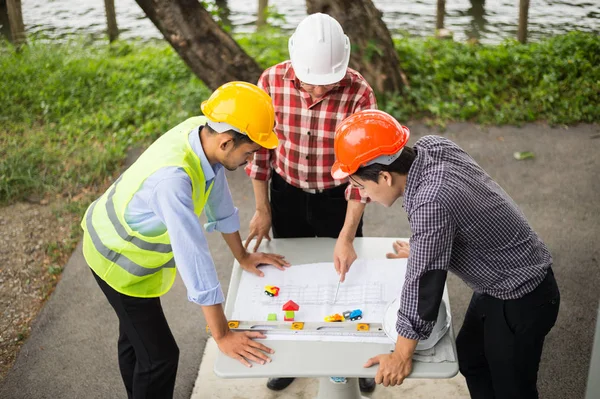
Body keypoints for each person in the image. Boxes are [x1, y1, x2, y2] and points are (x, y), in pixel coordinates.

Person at [81, 82, 290, 399]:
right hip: (116, 261)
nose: (251, 160)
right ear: (226, 142)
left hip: (116, 245)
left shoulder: (201, 133)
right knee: (160, 358)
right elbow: (195, 259)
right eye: (249, 152)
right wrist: (222, 335)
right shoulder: (174, 181)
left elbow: (218, 200)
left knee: (135, 339)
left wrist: (242, 256)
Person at [332, 109, 560, 398]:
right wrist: (424, 247)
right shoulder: (433, 147)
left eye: (360, 186)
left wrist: (401, 355)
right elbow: (465, 208)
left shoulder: (430, 201)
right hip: (497, 282)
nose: (362, 195)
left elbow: (424, 283)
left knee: (512, 390)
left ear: (385, 177)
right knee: (472, 359)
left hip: (521, 295)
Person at [243, 12, 377, 393]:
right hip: (285, 193)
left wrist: (348, 234)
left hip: (338, 198)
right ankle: (292, 354)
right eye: (310, 82)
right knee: (289, 277)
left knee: (347, 274)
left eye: (327, 83)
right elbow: (260, 151)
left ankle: (358, 357)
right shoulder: (270, 81)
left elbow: (362, 170)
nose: (318, 92)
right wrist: (262, 208)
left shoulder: (359, 92)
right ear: (294, 62)